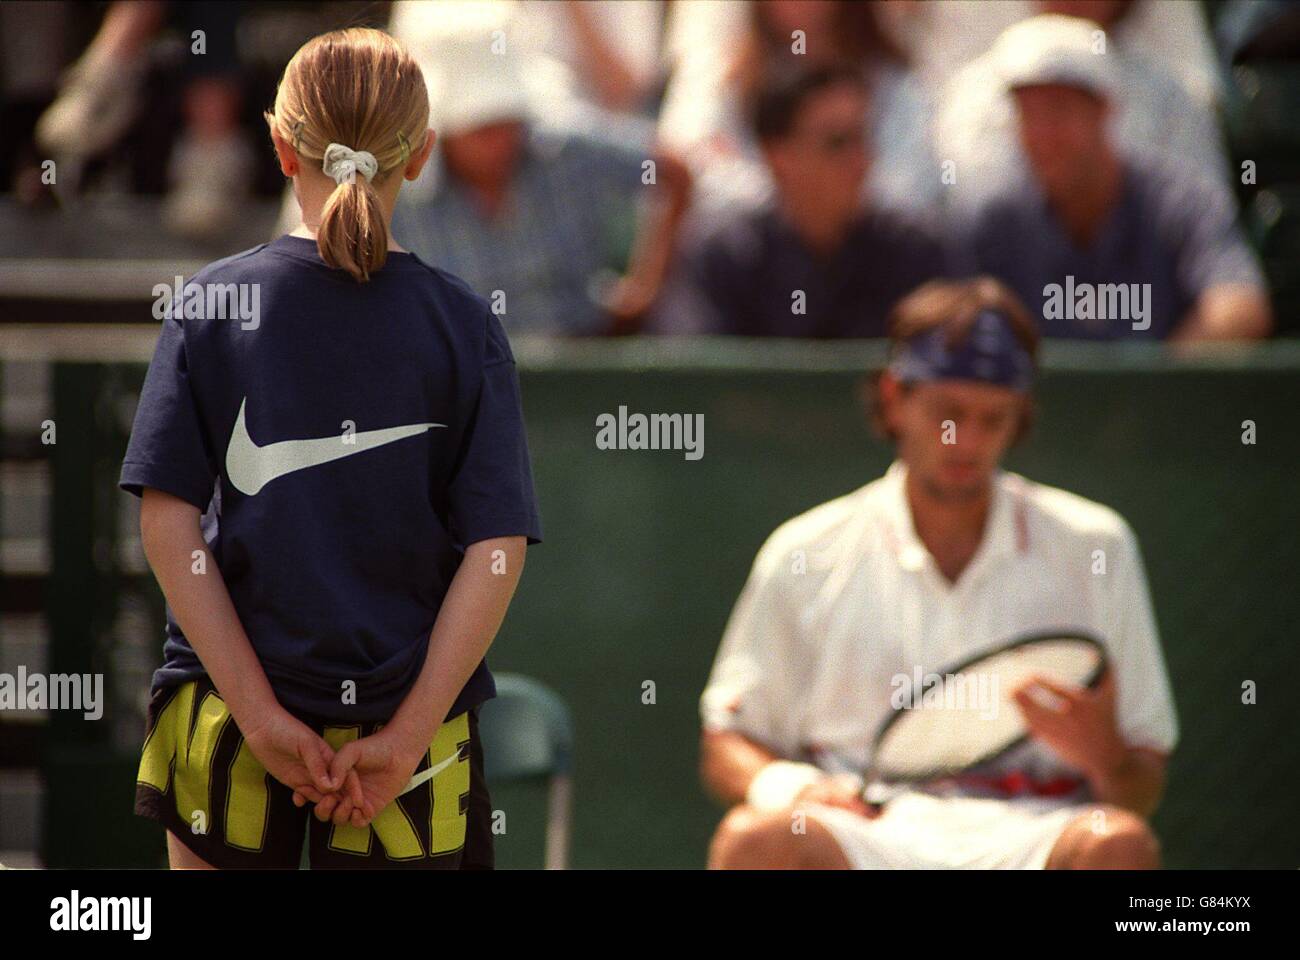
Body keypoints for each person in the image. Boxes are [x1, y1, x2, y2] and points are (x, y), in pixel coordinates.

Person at [121, 27, 542, 869]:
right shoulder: (463, 323)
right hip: (411, 748)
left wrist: (260, 718)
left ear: (280, 145)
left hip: (222, 724)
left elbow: (168, 530)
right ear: (421, 154)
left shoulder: (209, 305)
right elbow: (495, 551)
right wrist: (407, 736)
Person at [700, 278, 1178, 869]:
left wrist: (1107, 759)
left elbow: (1142, 785)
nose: (968, 441)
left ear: (1020, 418)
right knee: (756, 842)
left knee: (1118, 845)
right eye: (948, 413)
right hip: (867, 830)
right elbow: (727, 741)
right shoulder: (805, 551)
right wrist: (794, 790)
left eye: (993, 418)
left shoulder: (1096, 545)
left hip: (1037, 830)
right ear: (895, 397)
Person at [957, 15, 1271, 340]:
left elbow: (1239, 309)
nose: (1043, 135)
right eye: (1028, 114)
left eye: (1058, 110)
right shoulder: (995, 219)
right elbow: (958, 329)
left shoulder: (1180, 200)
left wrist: (1151, 386)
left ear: (1104, 110)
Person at [390, 3, 690, 335]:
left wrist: (642, 291)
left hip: (577, 367)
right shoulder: (395, 195)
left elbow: (672, 170)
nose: (499, 141)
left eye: (507, 121)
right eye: (481, 128)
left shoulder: (565, 150)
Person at [656, 64, 947, 337]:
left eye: (863, 137)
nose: (861, 160)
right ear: (778, 157)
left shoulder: (912, 251)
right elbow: (699, 374)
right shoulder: (727, 256)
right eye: (837, 142)